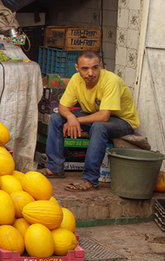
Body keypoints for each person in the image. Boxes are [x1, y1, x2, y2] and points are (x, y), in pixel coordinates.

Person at [41, 50, 139, 191]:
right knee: (57, 118)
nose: (90, 73)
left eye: (95, 67)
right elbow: (62, 107)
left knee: (99, 127)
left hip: (123, 121)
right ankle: (54, 167)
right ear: (77, 68)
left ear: (100, 65)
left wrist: (77, 121)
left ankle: (90, 179)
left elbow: (104, 116)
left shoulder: (111, 81)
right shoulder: (76, 79)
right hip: (94, 115)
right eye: (85, 69)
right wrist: (70, 117)